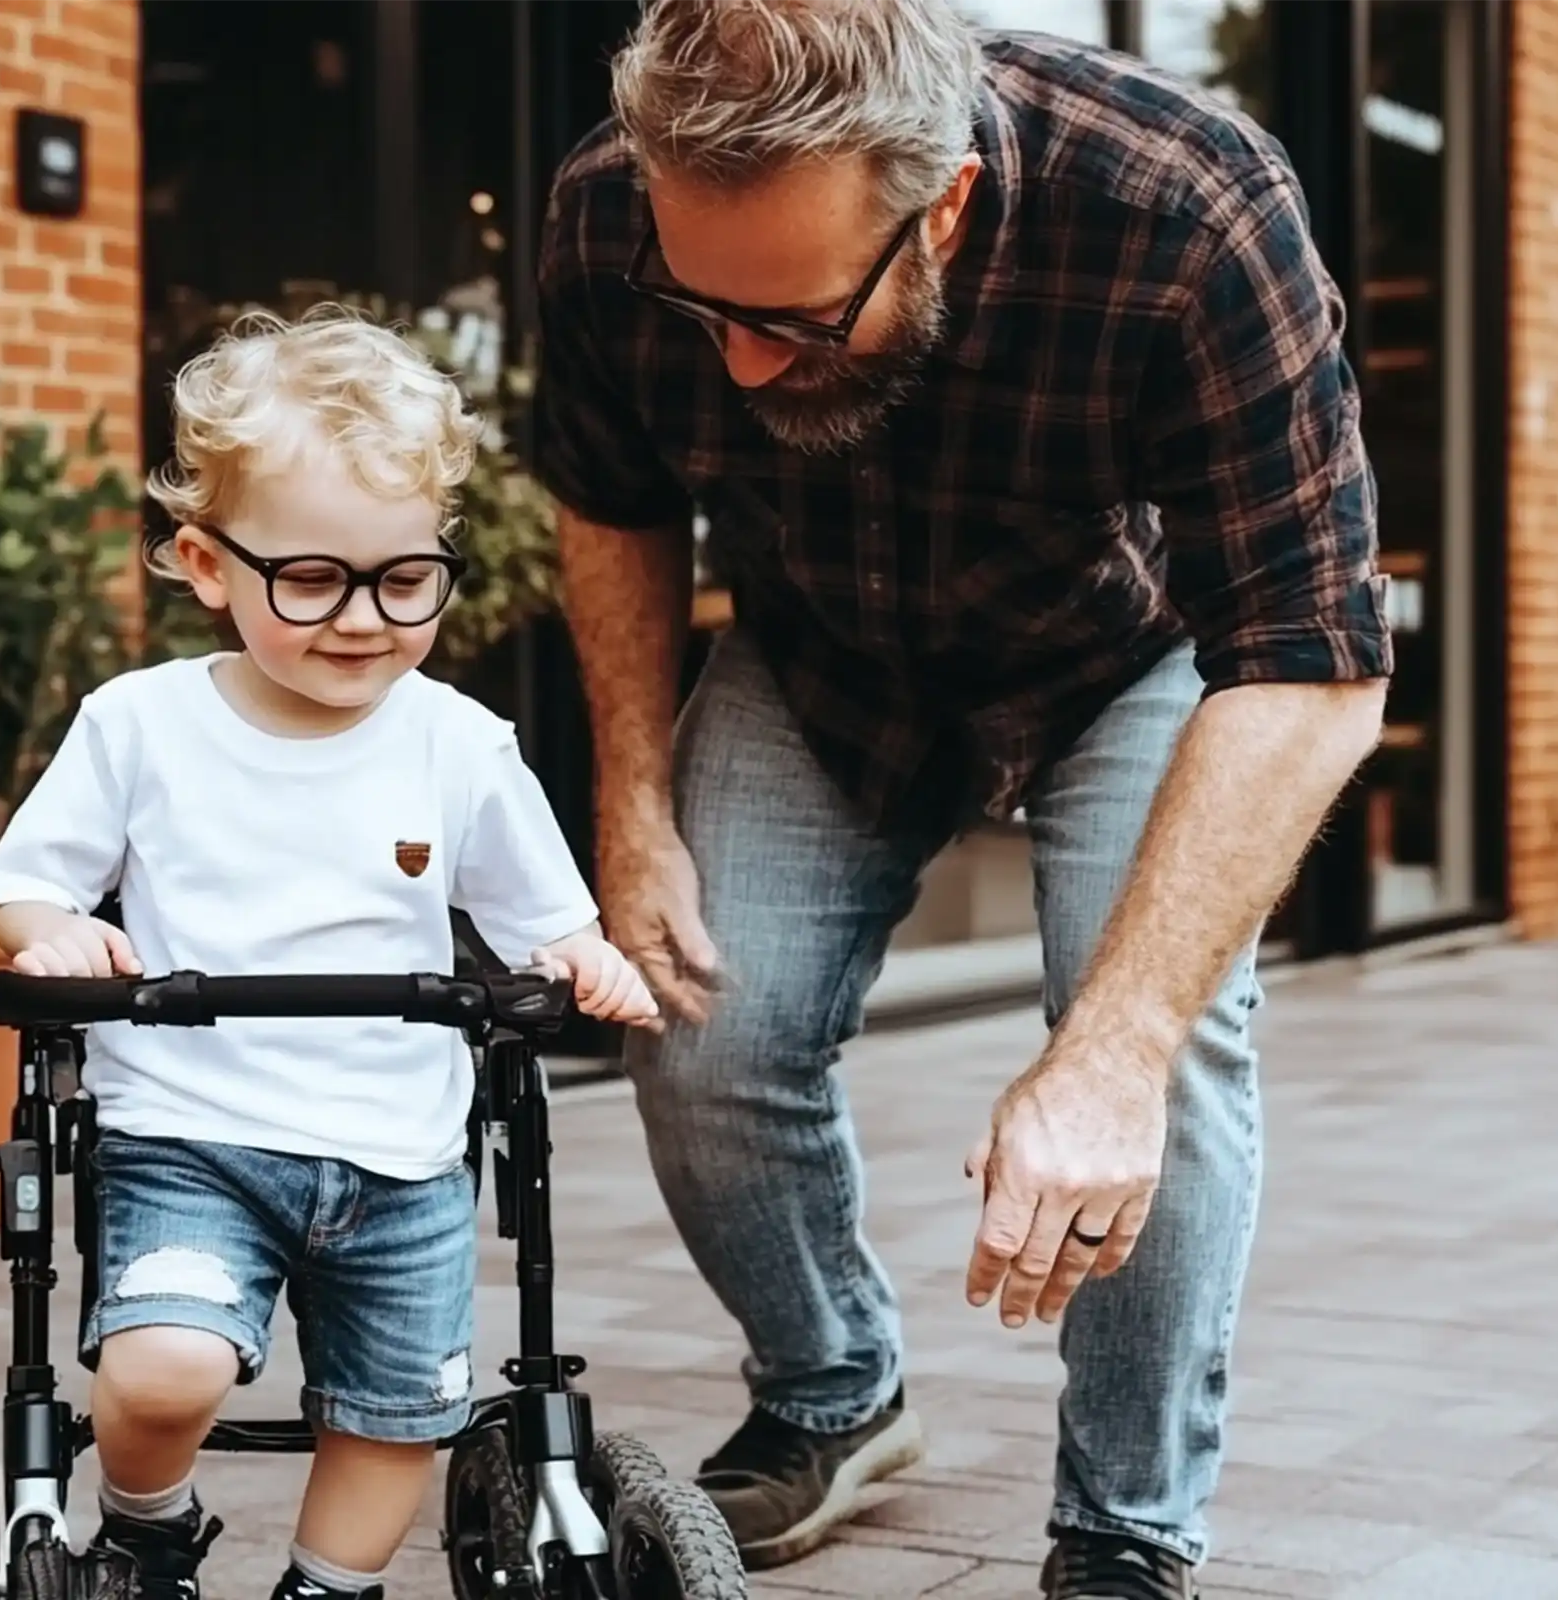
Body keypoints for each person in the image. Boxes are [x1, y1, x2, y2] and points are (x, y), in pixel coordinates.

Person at [522, 3, 1393, 1596]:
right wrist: (631, 803)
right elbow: (611, 498)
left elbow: (1310, 658)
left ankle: (1127, 1527)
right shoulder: (604, 209)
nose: (736, 361)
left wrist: (1110, 1048)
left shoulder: (1190, 211)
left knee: (1159, 1051)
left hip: (1120, 665)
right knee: (701, 1021)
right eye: (698, 306)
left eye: (791, 319)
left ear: (948, 210)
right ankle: (831, 1393)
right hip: (822, 658)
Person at [0, 306, 661, 1600]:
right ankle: (146, 1526)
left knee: (397, 1415)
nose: (362, 620)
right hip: (191, 1136)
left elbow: (545, 920)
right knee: (159, 1369)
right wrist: (56, 931)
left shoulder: (457, 745)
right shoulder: (141, 727)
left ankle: (323, 1590)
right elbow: (24, 885)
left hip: (400, 1156)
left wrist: (586, 961)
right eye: (311, 580)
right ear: (205, 563)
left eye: (403, 580)